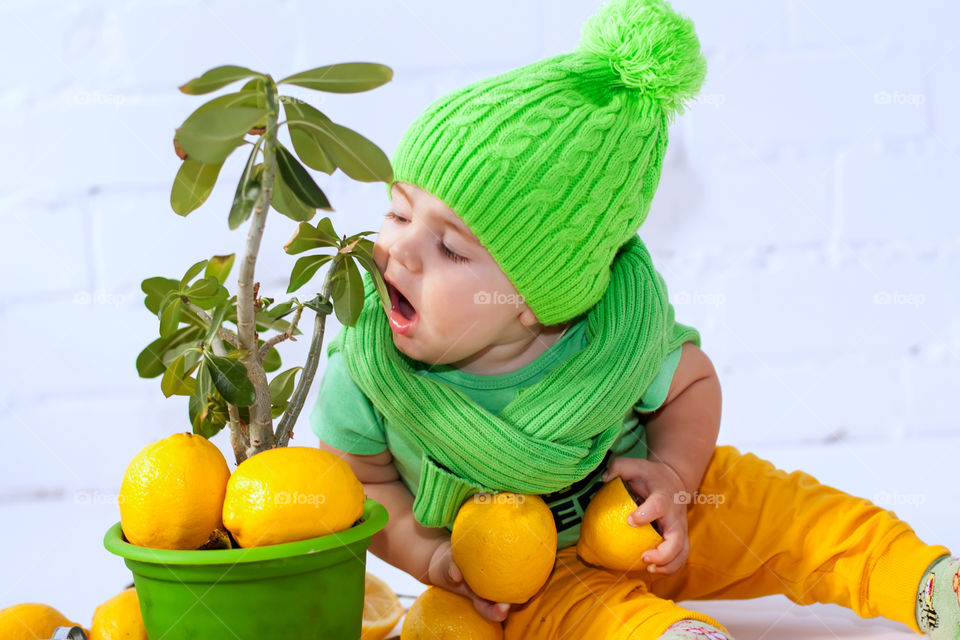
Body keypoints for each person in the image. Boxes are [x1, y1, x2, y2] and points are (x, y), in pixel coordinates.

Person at [310, 0, 958, 637]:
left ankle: (923, 582)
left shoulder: (612, 337)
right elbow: (363, 490)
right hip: (534, 569)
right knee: (592, 618)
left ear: (537, 299)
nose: (399, 249)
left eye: (450, 247)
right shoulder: (367, 370)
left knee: (778, 514)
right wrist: (430, 559)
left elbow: (694, 381)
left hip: (661, 512)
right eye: (397, 213)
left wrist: (676, 475)